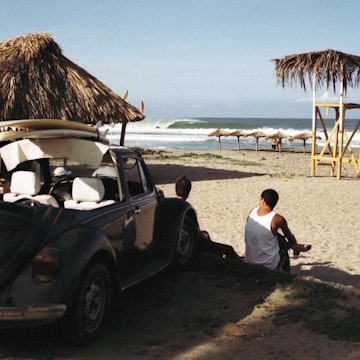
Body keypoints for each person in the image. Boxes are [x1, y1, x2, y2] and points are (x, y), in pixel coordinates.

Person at [244, 189, 311, 271]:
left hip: (250, 260)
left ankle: (294, 247)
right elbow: (290, 237)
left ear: (262, 200)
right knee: (283, 248)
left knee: (274, 236)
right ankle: (286, 274)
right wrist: (293, 245)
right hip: (269, 264)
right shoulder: (277, 219)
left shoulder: (251, 212)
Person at [175, 175, 239, 258]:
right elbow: (195, 231)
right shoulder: (186, 209)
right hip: (188, 243)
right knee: (228, 249)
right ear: (188, 192)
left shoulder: (170, 205)